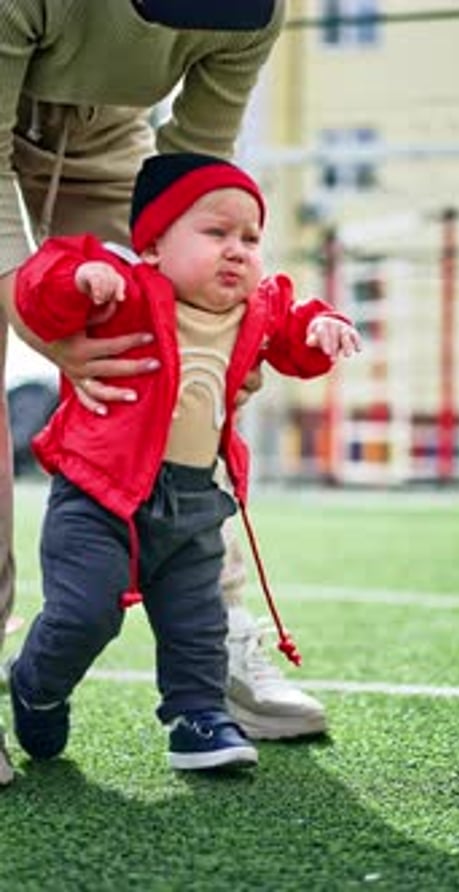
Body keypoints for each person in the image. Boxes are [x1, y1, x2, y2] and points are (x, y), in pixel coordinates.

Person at [0, 1, 330, 785]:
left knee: (177, 338)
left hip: (107, 143)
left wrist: (212, 338)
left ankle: (214, 648)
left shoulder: (252, 10)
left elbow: (195, 177)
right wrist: (41, 323)